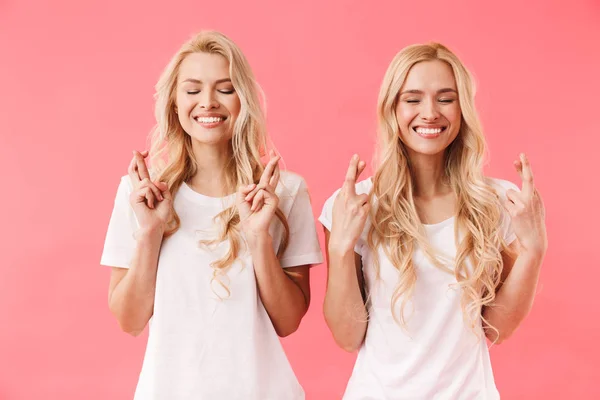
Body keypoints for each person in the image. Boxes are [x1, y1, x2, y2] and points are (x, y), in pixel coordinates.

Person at [100, 31, 323, 400]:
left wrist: (258, 237)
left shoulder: (284, 191)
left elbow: (288, 322)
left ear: (244, 100)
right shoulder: (140, 194)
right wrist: (150, 233)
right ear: (174, 103)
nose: (208, 103)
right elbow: (130, 320)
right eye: (192, 90)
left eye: (225, 88)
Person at [319, 43, 547, 399]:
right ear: (392, 108)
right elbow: (347, 336)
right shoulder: (353, 205)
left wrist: (533, 251)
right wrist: (340, 246)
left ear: (463, 108)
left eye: (445, 98)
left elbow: (497, 328)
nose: (430, 113)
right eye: (412, 99)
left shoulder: (498, 202)